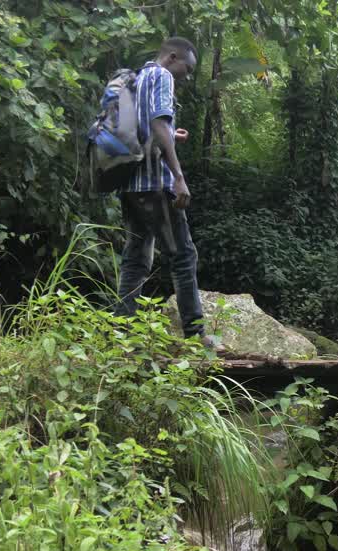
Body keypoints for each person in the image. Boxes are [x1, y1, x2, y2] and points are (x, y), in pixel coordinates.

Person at [114, 36, 218, 349]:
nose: (186, 76)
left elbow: (148, 127)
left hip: (130, 185)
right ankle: (195, 336)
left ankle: (123, 335)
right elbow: (158, 124)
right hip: (155, 186)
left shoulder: (136, 78)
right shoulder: (161, 76)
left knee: (135, 260)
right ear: (172, 57)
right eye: (186, 68)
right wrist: (178, 176)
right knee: (183, 256)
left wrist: (173, 134)